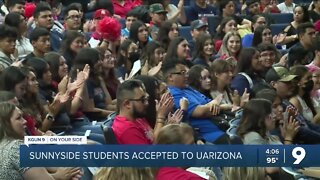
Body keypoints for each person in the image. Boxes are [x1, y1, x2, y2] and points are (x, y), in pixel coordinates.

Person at [163, 60, 227, 143]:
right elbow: (201, 111)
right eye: (183, 72)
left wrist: (217, 105)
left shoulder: (188, 88)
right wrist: (214, 105)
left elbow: (215, 103)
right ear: (170, 77)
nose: (186, 76)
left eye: (186, 72)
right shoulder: (173, 94)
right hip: (207, 135)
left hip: (220, 123)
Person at [112, 79, 154, 144]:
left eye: (146, 99)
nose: (146, 103)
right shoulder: (127, 130)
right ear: (127, 104)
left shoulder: (138, 118)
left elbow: (153, 138)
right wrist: (160, 118)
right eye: (142, 100)